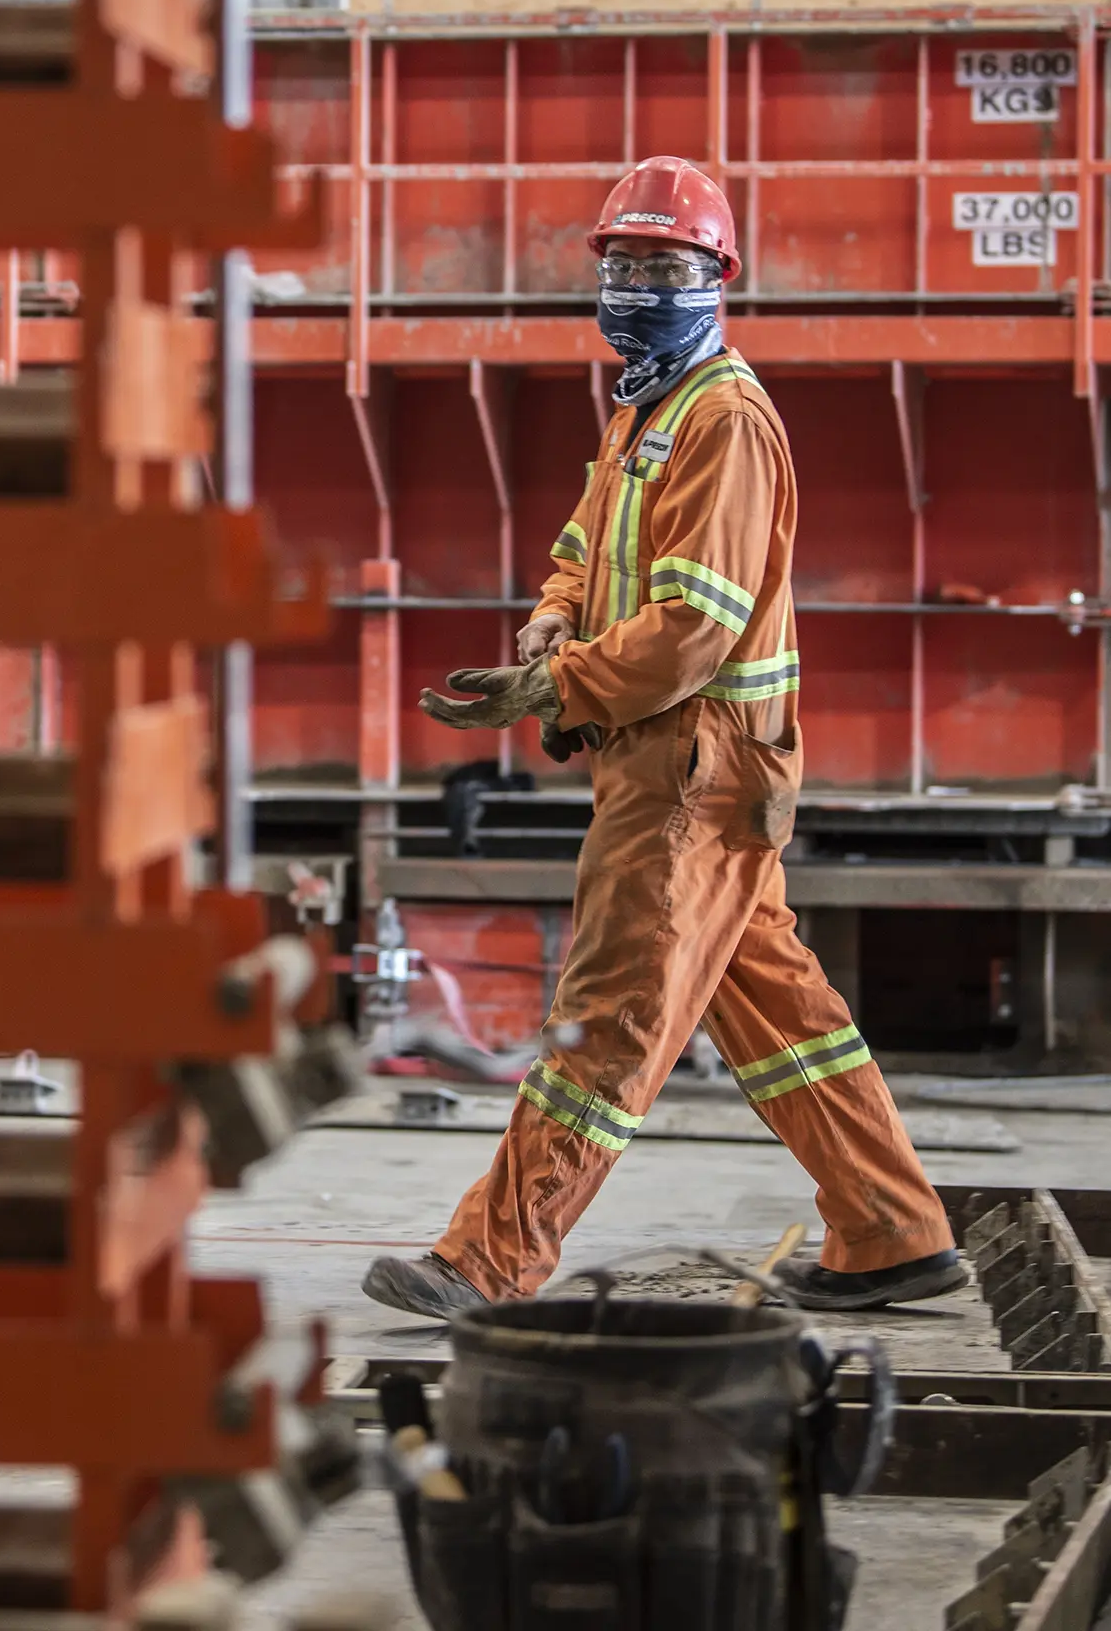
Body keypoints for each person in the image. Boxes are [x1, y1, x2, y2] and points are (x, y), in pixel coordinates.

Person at [363, 155, 964, 1318]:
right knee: (783, 1016)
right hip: (674, 756)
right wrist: (549, 622)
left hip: (693, 760)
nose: (640, 280)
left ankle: (487, 1259)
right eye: (625, 261)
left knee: (613, 1011)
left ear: (717, 276)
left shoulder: (724, 418)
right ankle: (892, 1231)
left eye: (666, 264)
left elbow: (694, 623)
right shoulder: (647, 403)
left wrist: (555, 688)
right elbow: (587, 549)